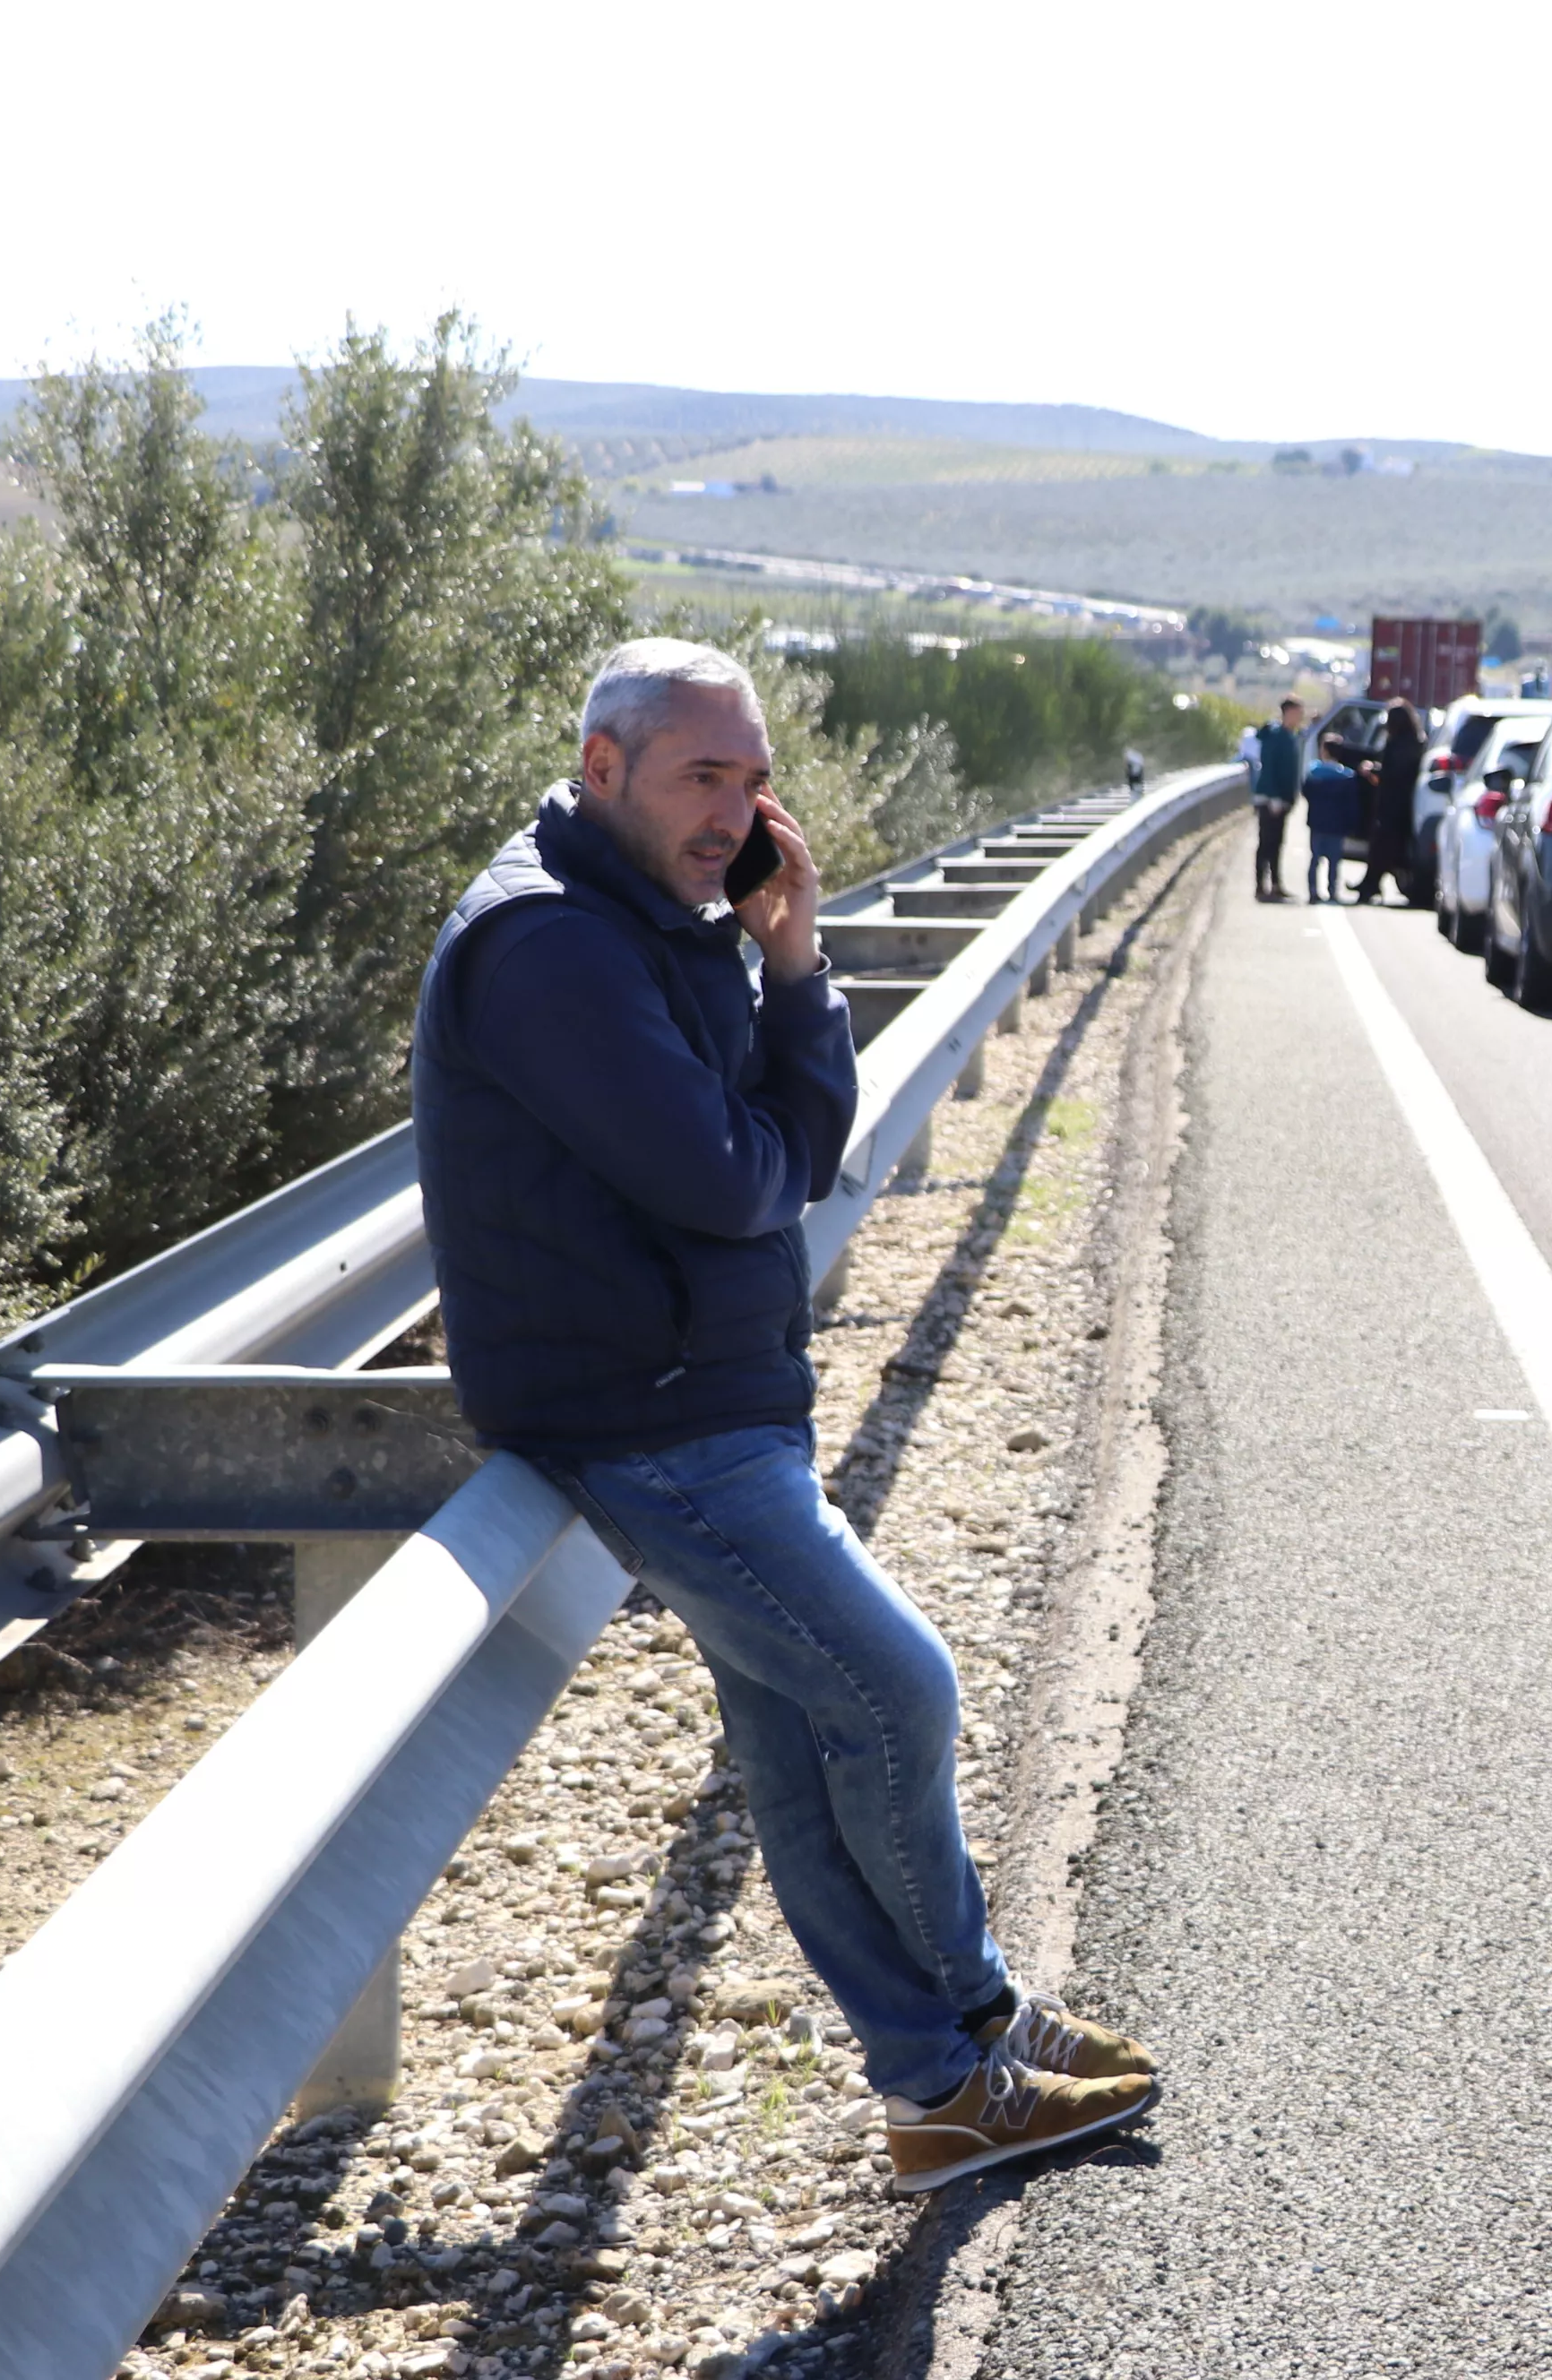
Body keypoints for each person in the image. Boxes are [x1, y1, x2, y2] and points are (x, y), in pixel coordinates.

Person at [410, 637, 1159, 2196]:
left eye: (751, 779)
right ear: (601, 765)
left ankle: (937, 2091)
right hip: (645, 1412)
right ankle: (975, 2021)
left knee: (805, 1739)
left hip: (711, 1389)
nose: (734, 811)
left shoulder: (669, 919)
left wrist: (797, 964)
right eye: (702, 776)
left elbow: (787, 1163)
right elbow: (730, 1178)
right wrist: (756, 1142)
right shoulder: (549, 947)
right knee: (893, 1693)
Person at [1329, 699, 1426, 904]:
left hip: (1397, 807)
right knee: (1379, 847)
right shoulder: (1406, 742)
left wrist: (1374, 770)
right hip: (1391, 805)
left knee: (1383, 847)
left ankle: (1369, 886)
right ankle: (1369, 884)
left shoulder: (1407, 745)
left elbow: (1395, 773)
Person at [1246, 694, 1305, 901]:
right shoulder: (1275, 735)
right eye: (1298, 712)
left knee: (1277, 842)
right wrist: (1273, 798)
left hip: (1282, 798)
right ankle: (1260, 886)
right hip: (1270, 798)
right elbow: (1269, 767)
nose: (1300, 717)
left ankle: (1276, 884)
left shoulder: (1290, 736)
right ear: (1288, 712)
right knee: (1266, 841)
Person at [1301, 744, 1365, 903]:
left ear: (1324, 752)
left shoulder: (1314, 773)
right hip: (1338, 825)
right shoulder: (1347, 777)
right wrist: (1352, 824)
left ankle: (1313, 891)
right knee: (1334, 861)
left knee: (1315, 859)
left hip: (1317, 823)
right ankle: (1332, 891)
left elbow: (1305, 792)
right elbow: (1352, 804)